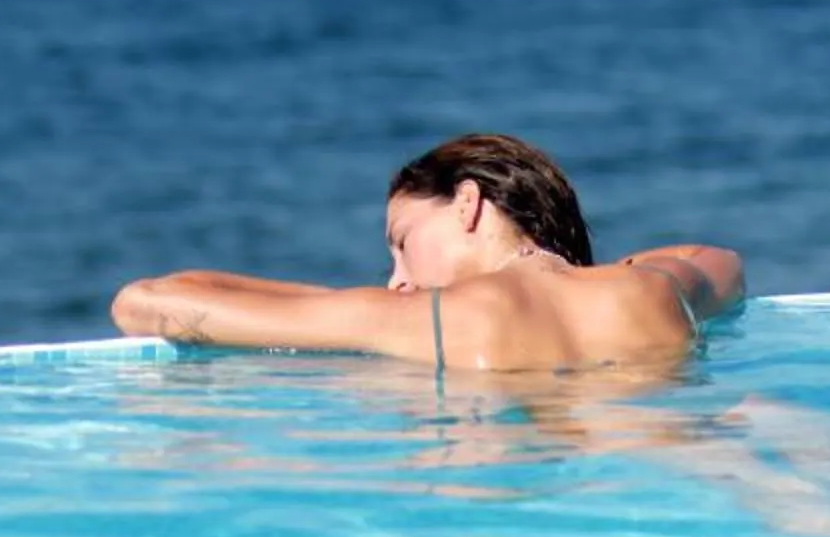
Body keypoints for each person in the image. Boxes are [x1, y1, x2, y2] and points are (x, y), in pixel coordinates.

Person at [110, 132, 744, 374]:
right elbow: (719, 260)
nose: (396, 281)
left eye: (403, 244)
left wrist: (333, 303)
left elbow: (149, 302)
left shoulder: (425, 320)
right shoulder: (654, 290)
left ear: (467, 205)